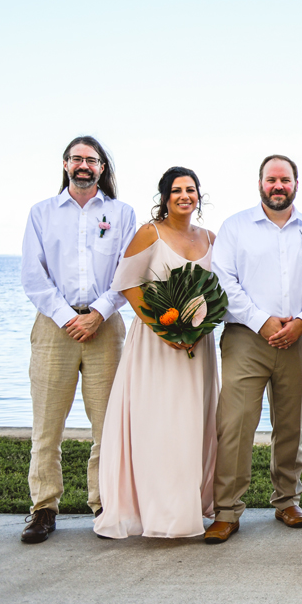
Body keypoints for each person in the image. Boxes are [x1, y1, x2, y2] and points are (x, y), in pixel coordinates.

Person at [204, 155, 302, 544]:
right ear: (260, 183)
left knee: (290, 424)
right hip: (246, 337)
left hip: (298, 337)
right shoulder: (235, 227)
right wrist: (261, 320)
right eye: (272, 179)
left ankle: (287, 500)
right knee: (236, 424)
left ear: (296, 184)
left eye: (285, 180)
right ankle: (227, 511)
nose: (279, 186)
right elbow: (224, 281)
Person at [20, 136, 136, 544]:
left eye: (92, 159)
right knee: (47, 426)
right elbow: (33, 277)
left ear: (103, 167)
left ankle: (103, 505)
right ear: (65, 164)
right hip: (55, 327)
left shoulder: (122, 213)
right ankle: (43, 508)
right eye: (77, 158)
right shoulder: (42, 213)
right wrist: (70, 317)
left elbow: (129, 273)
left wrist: (99, 314)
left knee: (108, 425)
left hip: (105, 327)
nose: (84, 165)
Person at [94, 167, 220, 539]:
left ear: (199, 196)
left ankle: (189, 505)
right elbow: (127, 283)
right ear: (165, 197)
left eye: (191, 190)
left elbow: (218, 292)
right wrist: (161, 327)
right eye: (177, 190)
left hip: (198, 346)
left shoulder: (211, 238)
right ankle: (156, 510)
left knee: (194, 425)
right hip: (156, 344)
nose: (185, 196)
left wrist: (199, 328)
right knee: (160, 425)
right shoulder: (150, 233)